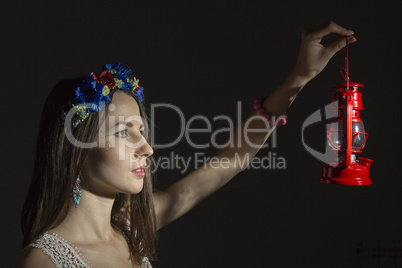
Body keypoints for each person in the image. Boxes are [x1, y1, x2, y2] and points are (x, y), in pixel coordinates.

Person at [12, 21, 356, 267]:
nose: (146, 148)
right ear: (76, 149)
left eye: (142, 131)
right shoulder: (43, 262)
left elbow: (228, 163)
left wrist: (299, 78)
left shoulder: (132, 226)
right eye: (122, 132)